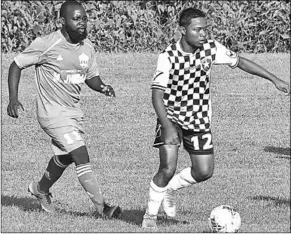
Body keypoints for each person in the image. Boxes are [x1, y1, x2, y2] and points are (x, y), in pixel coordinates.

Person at [142, 7, 290, 229]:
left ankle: (170, 189)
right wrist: (167, 126)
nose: (203, 34)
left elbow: (240, 62)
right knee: (167, 167)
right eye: (197, 29)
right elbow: (156, 96)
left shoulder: (211, 49)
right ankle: (149, 217)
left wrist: (274, 79)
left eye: (205, 29)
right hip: (170, 117)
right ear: (183, 30)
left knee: (204, 171)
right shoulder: (168, 57)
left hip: (199, 119)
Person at [7, 0, 121, 219]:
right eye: (76, 19)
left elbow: (91, 77)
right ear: (62, 21)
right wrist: (13, 98)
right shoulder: (47, 43)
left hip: (73, 113)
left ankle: (40, 189)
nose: (82, 23)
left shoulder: (87, 47)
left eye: (84, 19)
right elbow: (16, 64)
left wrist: (103, 87)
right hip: (51, 113)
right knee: (80, 154)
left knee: (67, 156)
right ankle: (103, 208)